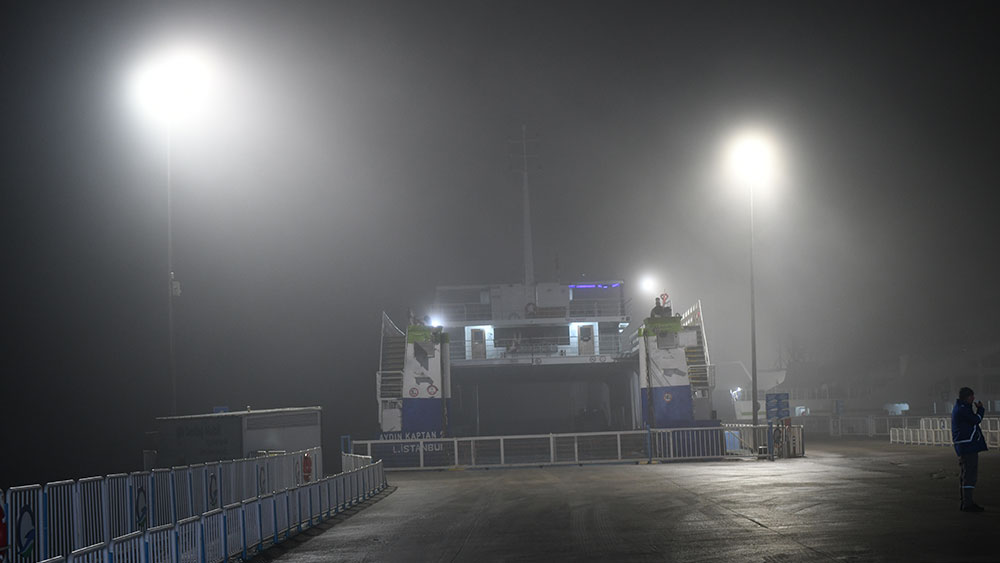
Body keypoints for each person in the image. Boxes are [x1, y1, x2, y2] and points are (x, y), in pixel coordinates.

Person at [951, 387, 988, 512]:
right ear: (967, 397)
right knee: (970, 475)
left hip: (964, 445)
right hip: (968, 445)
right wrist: (981, 409)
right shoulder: (963, 409)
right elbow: (976, 420)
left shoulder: (960, 408)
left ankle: (966, 502)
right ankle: (968, 503)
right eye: (972, 396)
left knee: (965, 474)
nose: (973, 399)